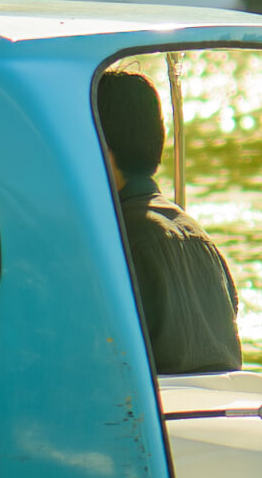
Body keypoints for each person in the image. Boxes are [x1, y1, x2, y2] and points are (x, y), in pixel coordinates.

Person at [97, 70, 241, 375]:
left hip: (152, 404)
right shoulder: (200, 238)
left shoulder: (116, 242)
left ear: (103, 151)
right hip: (221, 400)